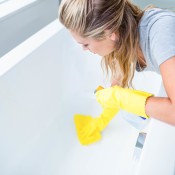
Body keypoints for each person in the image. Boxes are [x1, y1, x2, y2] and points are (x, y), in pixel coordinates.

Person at [58, 0, 175, 145]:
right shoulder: (125, 37)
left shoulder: (160, 32)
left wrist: (120, 97)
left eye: (85, 44)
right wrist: (103, 116)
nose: (84, 50)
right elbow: (117, 81)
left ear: (108, 31)